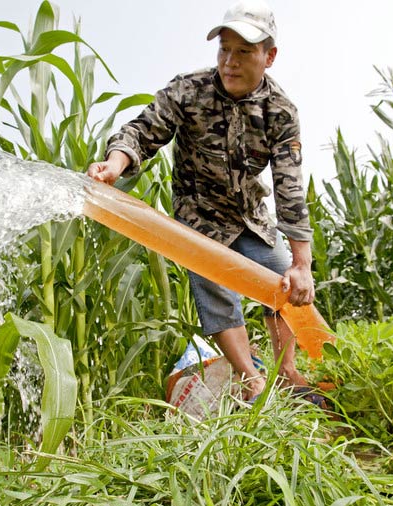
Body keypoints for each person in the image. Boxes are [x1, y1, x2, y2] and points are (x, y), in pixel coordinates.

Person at [87, 0, 316, 402]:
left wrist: (302, 264)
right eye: (224, 49)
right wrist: (113, 164)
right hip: (200, 220)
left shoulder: (280, 111)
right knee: (215, 290)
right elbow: (141, 132)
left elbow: (290, 185)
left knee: (283, 281)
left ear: (269, 56)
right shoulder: (188, 90)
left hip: (250, 217)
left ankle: (287, 373)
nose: (230, 61)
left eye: (244, 52)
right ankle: (251, 380)